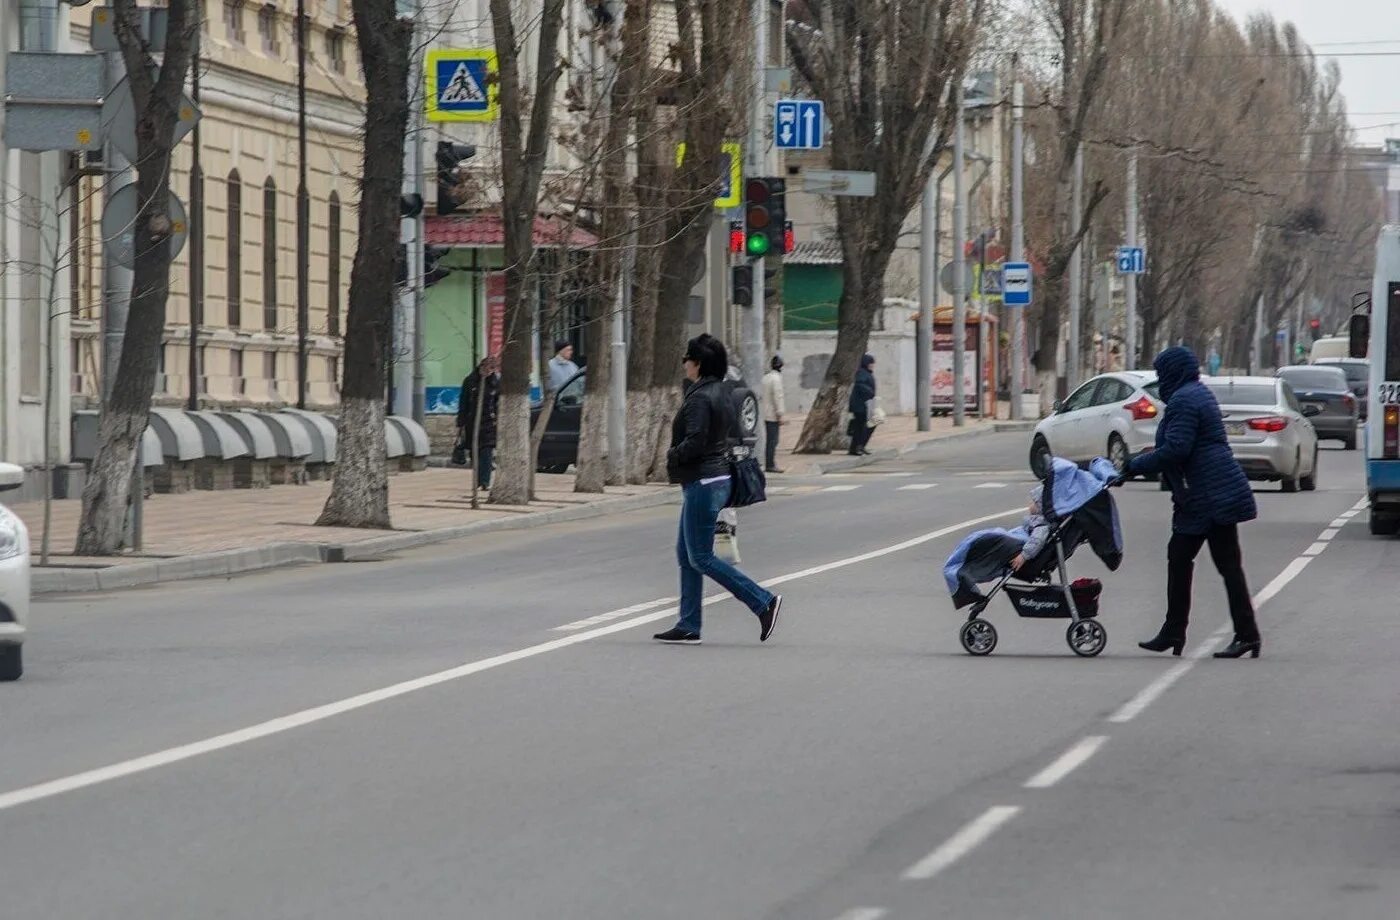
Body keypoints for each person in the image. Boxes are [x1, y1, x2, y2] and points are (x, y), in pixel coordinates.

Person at [1127, 346, 1262, 659]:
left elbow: (1177, 448)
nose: (1161, 380)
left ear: (1174, 372)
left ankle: (1229, 634)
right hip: (1212, 491)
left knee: (1198, 560)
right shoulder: (1196, 393)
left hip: (1209, 495)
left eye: (1162, 374)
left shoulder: (1184, 400)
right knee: (1210, 562)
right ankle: (1196, 632)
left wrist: (1134, 466)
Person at [654, 334, 782, 645]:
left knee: (700, 556)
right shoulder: (723, 391)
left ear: (698, 364)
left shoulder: (699, 397)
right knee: (686, 554)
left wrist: (671, 455)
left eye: (687, 359)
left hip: (704, 480)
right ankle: (688, 624)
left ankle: (763, 601)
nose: (684, 363)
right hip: (715, 478)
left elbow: (696, 441)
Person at [456, 357, 500, 490]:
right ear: (481, 367)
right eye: (488, 368)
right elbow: (463, 403)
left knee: (487, 451)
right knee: (474, 453)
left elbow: (497, 402)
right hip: (472, 422)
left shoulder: (495, 382)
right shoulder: (470, 381)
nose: (489, 372)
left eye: (493, 369)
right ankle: (477, 479)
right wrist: (460, 422)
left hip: (488, 422)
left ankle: (485, 481)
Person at [1009, 487, 1052, 572]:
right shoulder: (1036, 520)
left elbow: (1036, 540)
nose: (1030, 506)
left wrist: (1024, 555)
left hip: (1020, 547)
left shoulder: (1041, 525)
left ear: (1040, 506)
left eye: (1033, 503)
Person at [848, 354, 877, 456]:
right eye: (870, 363)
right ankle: (857, 447)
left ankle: (859, 446)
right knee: (862, 426)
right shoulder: (862, 373)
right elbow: (860, 385)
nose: (872, 365)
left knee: (865, 425)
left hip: (866, 404)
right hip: (861, 405)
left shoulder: (866, 373)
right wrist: (870, 393)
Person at [762, 355, 786, 473]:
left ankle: (769, 463)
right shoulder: (777, 379)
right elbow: (778, 397)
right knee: (773, 441)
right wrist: (780, 413)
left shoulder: (766, 377)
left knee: (770, 440)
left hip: (765, 413)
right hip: (773, 414)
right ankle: (770, 464)